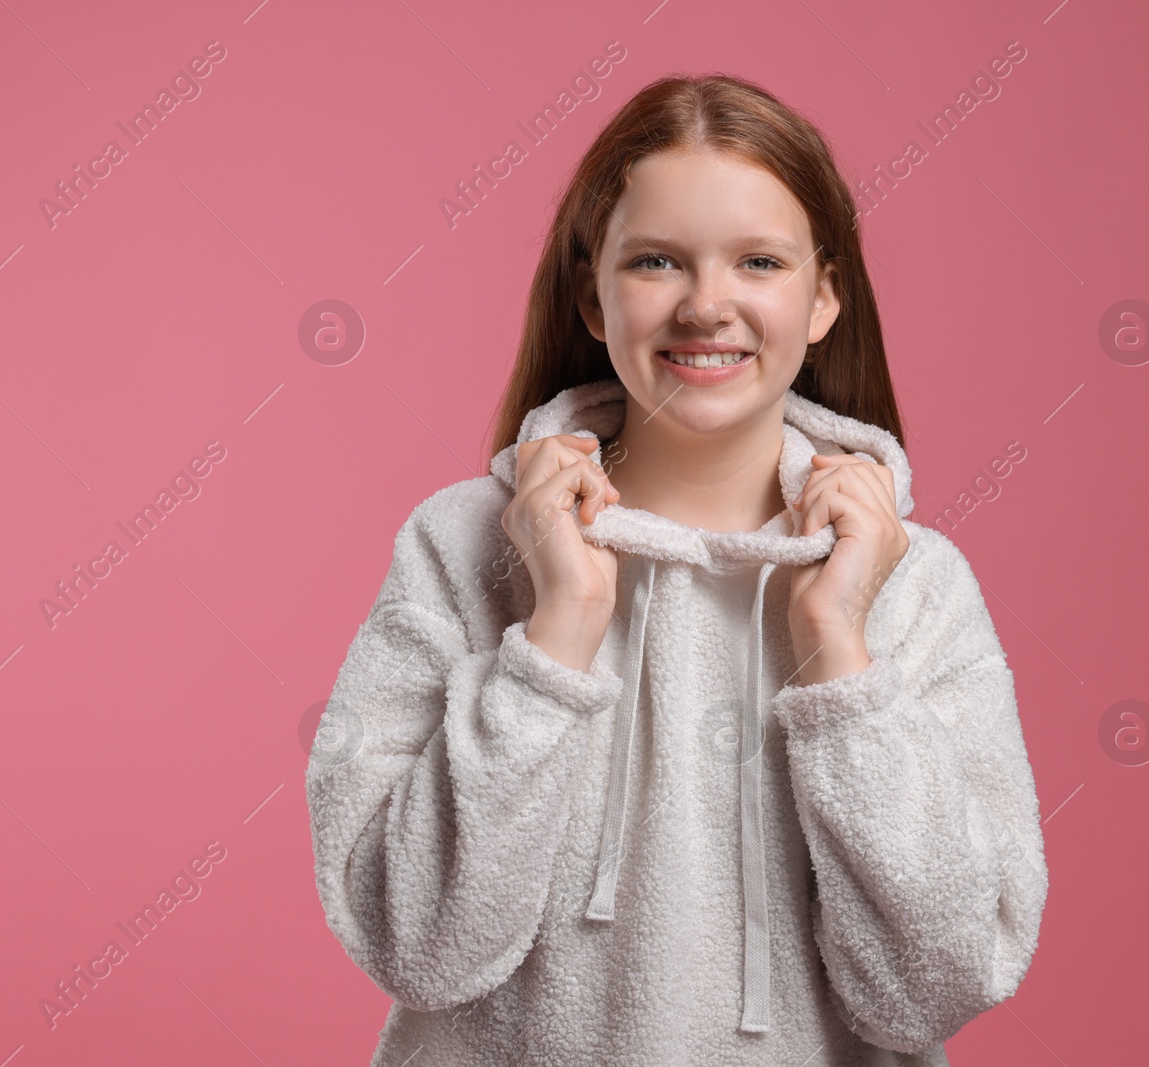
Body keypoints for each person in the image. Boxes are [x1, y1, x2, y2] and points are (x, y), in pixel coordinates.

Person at [305, 72, 1048, 1066]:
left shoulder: (913, 582)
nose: (707, 306)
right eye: (656, 260)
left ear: (822, 296)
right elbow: (417, 946)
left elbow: (937, 984)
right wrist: (554, 632)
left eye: (758, 261)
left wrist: (837, 650)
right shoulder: (459, 546)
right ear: (593, 292)